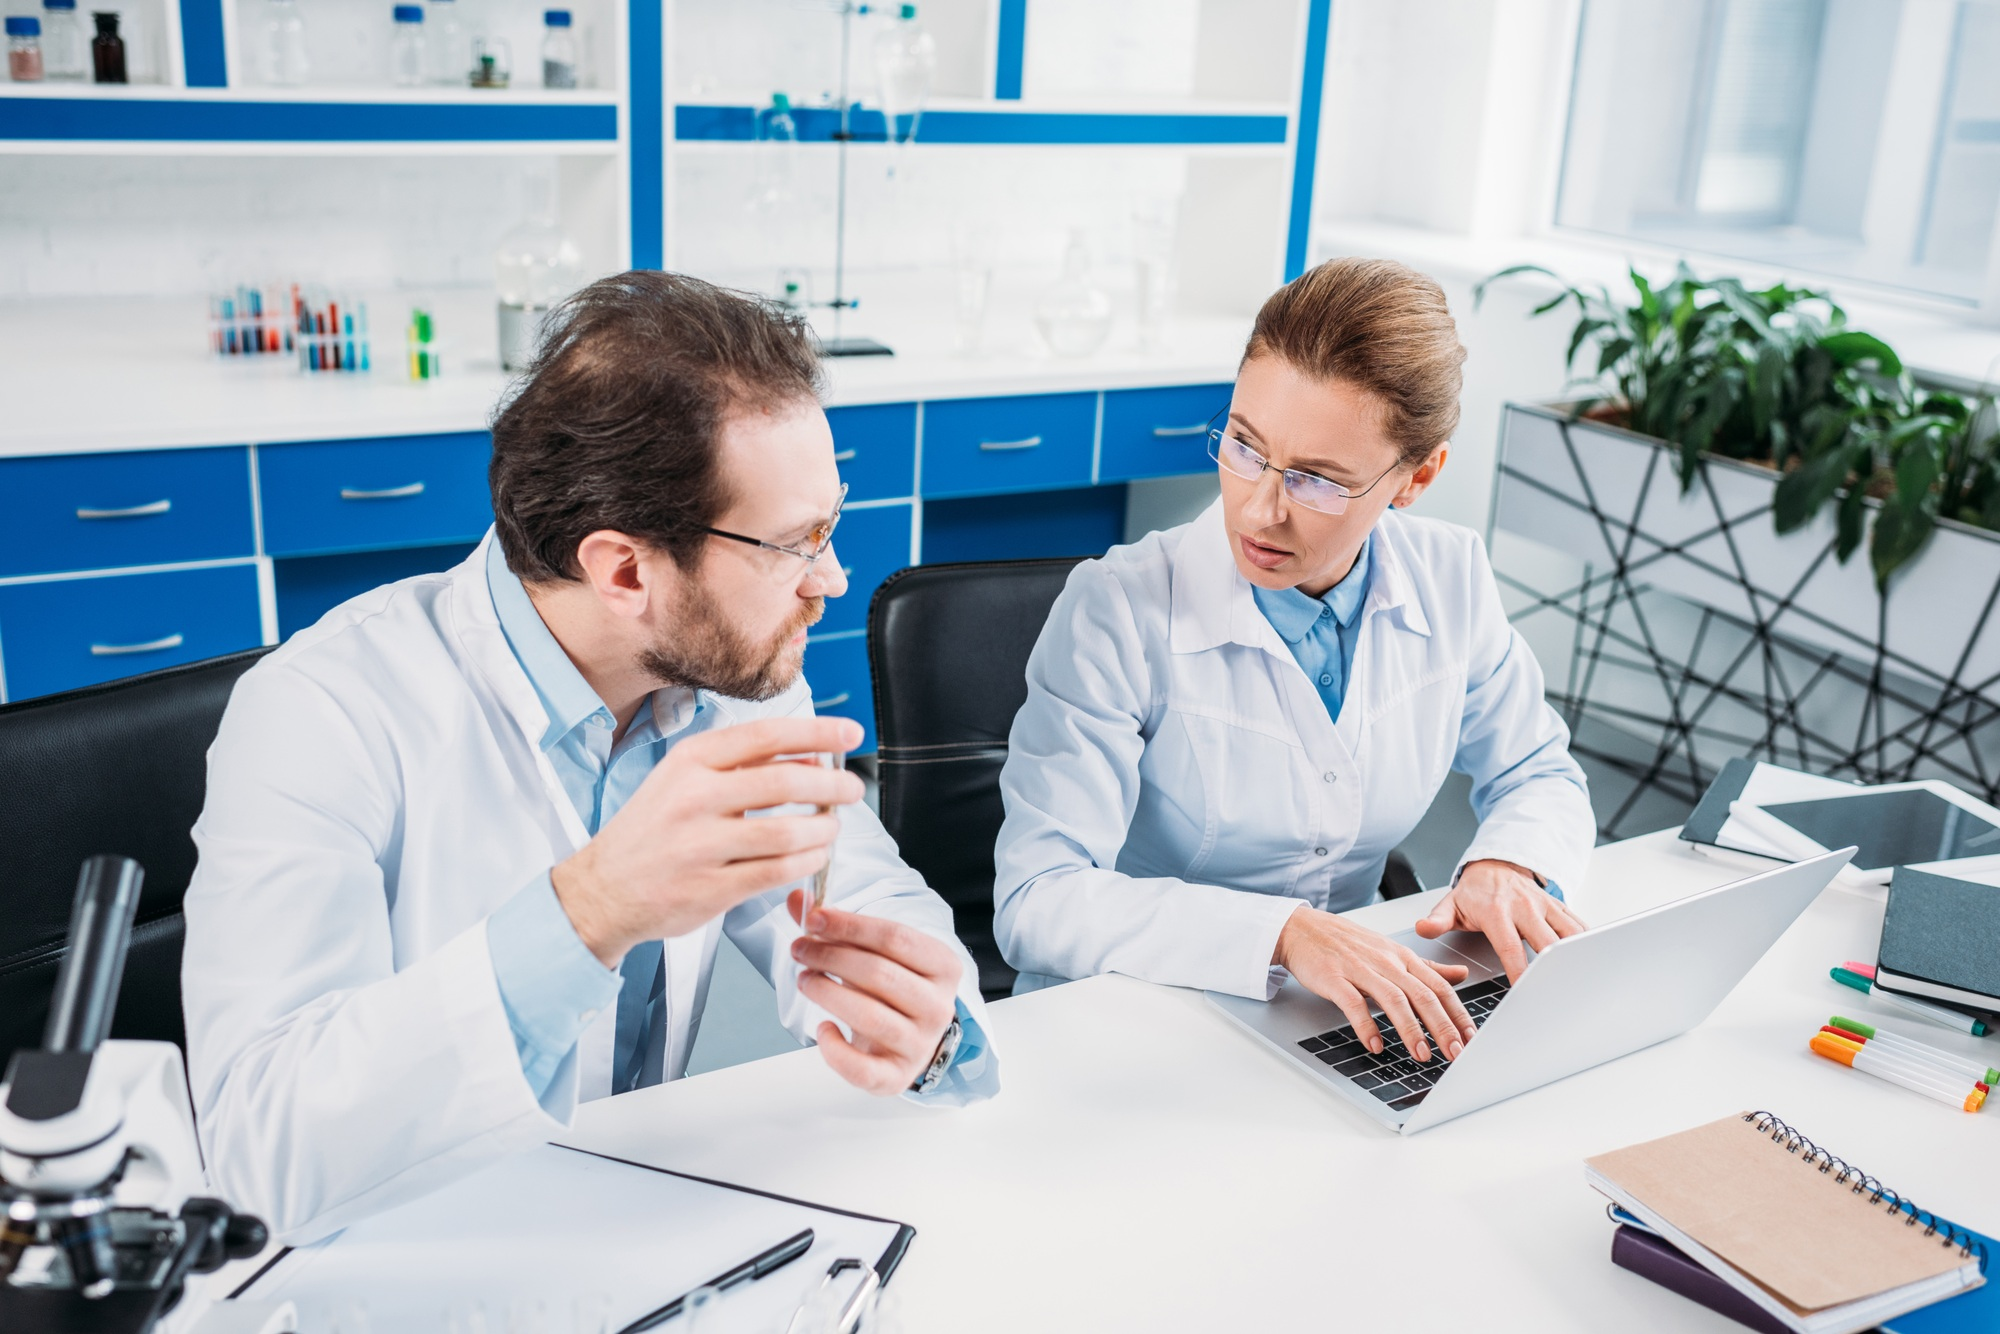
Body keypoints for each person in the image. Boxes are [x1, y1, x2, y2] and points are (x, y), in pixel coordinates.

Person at [182, 272, 997, 1246]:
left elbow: (861, 903)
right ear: (622, 570)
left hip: (633, 1223)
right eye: (796, 543)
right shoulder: (322, 712)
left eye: (829, 524)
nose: (831, 578)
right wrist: (592, 908)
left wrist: (924, 1024)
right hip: (403, 1250)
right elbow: (259, 1150)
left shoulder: (733, 661)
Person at [993, 257, 1593, 1067]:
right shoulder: (1118, 609)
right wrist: (1281, 935)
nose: (1261, 508)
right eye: (1244, 445)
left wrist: (1508, 862)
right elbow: (1038, 901)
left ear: (1416, 478)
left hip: (1342, 1023)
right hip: (1135, 1017)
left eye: (1317, 479)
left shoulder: (1450, 577)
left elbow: (1538, 771)